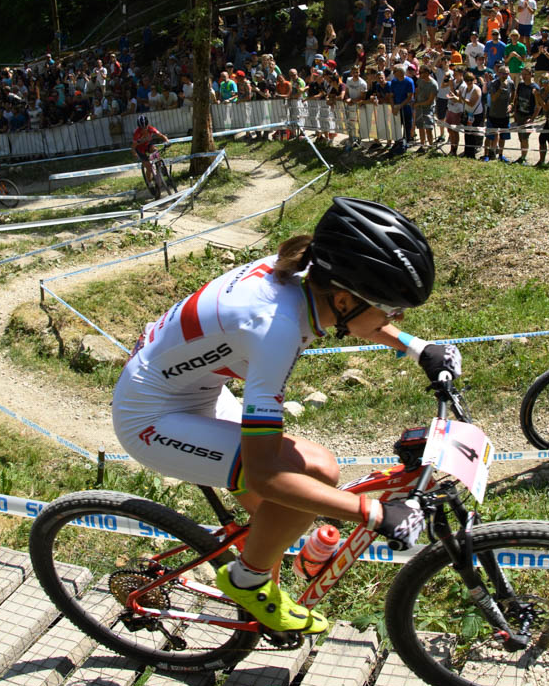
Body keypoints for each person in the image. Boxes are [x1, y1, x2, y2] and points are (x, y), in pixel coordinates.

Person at [111, 198, 458, 635]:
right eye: (391, 310)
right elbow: (266, 475)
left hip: (190, 390)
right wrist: (374, 514)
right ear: (345, 298)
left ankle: (259, 578)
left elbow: (364, 318)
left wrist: (415, 345)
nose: (396, 318)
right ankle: (248, 582)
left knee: (283, 515)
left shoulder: (302, 276)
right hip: (150, 418)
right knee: (312, 472)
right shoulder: (275, 330)